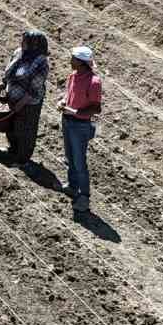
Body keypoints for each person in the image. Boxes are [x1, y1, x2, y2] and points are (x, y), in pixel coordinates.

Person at [58, 46, 103, 214]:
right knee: (69, 157)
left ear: (81, 62)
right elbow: (68, 95)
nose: (70, 61)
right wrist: (63, 102)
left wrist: (75, 112)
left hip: (80, 125)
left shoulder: (94, 82)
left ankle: (84, 197)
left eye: (72, 59)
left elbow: (96, 108)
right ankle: (72, 186)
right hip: (67, 121)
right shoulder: (73, 76)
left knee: (79, 161)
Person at [0, 29, 50, 166]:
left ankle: (23, 159)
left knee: (26, 130)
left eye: (25, 41)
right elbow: (8, 70)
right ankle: (13, 150)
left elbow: (35, 87)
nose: (21, 43)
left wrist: (21, 103)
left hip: (29, 103)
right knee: (11, 126)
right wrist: (2, 85)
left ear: (34, 44)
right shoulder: (18, 52)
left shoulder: (41, 62)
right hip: (12, 97)